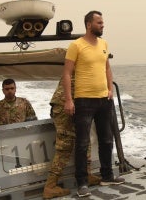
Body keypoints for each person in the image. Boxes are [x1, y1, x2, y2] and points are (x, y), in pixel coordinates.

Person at [63, 11, 125, 198]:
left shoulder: (104, 44)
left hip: (104, 100)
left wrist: (110, 90)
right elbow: (66, 73)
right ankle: (82, 183)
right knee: (83, 143)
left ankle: (107, 175)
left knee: (107, 139)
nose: (102, 25)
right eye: (99, 22)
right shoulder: (76, 45)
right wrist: (68, 99)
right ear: (89, 24)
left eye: (103, 22)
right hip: (84, 100)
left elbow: (107, 68)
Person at [42, 58, 100, 199]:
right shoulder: (80, 65)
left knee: (84, 140)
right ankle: (50, 186)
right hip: (65, 107)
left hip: (76, 106)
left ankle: (87, 175)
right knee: (65, 147)